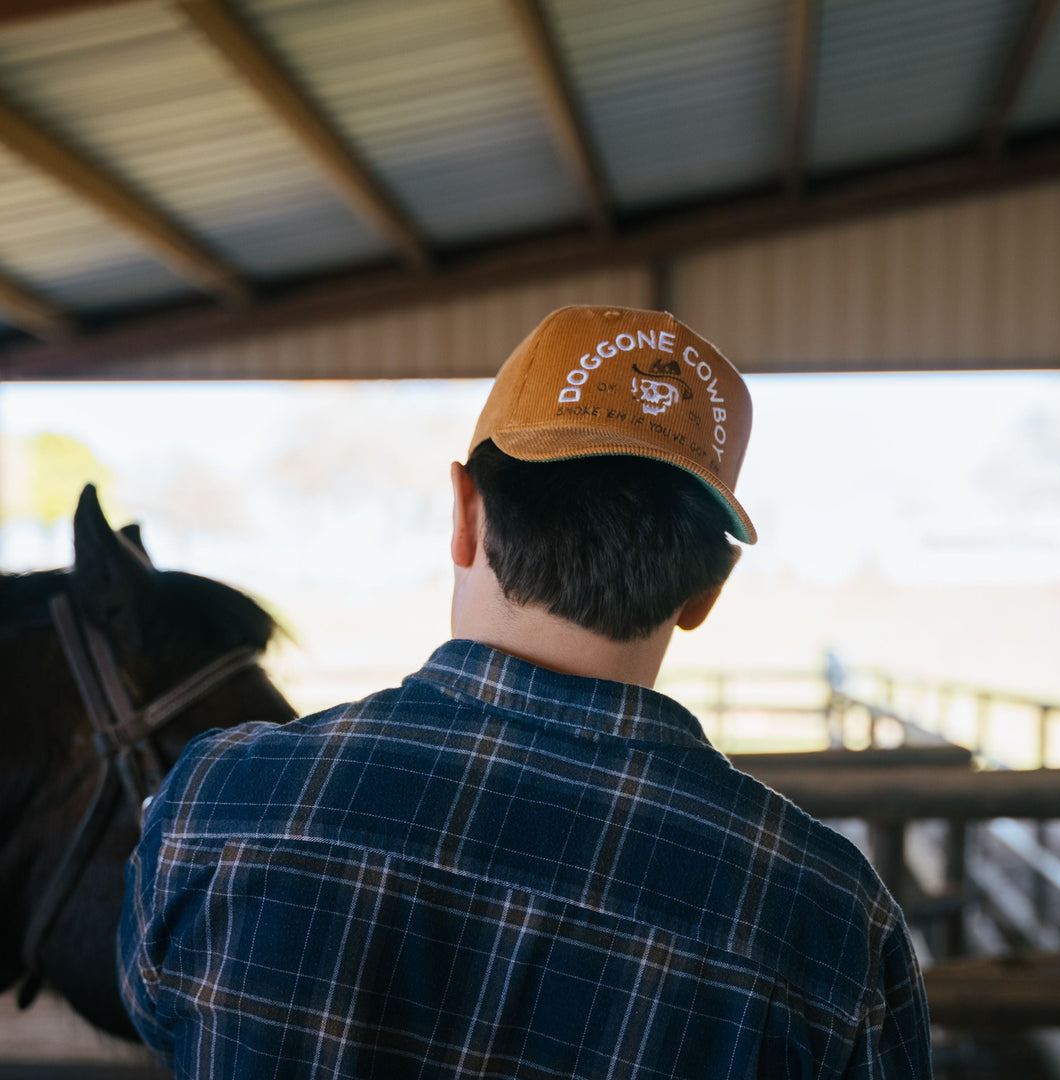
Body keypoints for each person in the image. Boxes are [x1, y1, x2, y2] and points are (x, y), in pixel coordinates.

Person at [119, 305, 932, 1078]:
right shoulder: (828, 921)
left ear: (464, 514)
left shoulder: (214, 806)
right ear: (708, 588)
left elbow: (163, 1025)